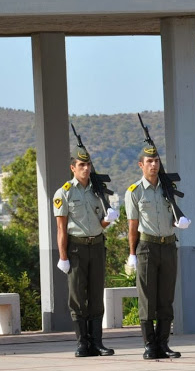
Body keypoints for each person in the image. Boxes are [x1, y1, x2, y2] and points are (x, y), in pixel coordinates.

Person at [125, 145, 190, 360]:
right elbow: (133, 225)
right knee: (147, 299)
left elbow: (172, 213)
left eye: (156, 161)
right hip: (147, 247)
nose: (154, 165)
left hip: (169, 245)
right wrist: (132, 253)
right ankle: (149, 345)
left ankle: (163, 344)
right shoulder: (134, 191)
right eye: (149, 162)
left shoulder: (167, 188)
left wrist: (179, 221)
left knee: (166, 298)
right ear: (141, 165)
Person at [53, 146, 119, 357]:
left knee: (96, 294)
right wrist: (63, 256)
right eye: (81, 165)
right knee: (78, 296)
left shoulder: (97, 190)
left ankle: (97, 342)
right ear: (73, 168)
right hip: (76, 248)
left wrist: (108, 220)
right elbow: (61, 228)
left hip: (97, 245)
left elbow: (101, 222)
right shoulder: (64, 192)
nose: (86, 168)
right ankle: (83, 343)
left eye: (88, 164)